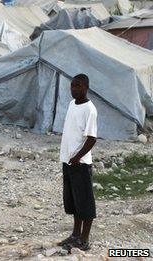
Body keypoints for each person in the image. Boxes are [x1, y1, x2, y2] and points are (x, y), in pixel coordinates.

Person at [58, 74, 97, 251]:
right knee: (73, 202)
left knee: (85, 203)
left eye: (78, 86)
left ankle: (84, 239)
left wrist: (77, 157)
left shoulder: (90, 109)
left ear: (86, 87)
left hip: (80, 164)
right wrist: (68, 158)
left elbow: (91, 139)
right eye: (72, 86)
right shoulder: (71, 104)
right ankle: (75, 234)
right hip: (67, 161)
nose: (74, 89)